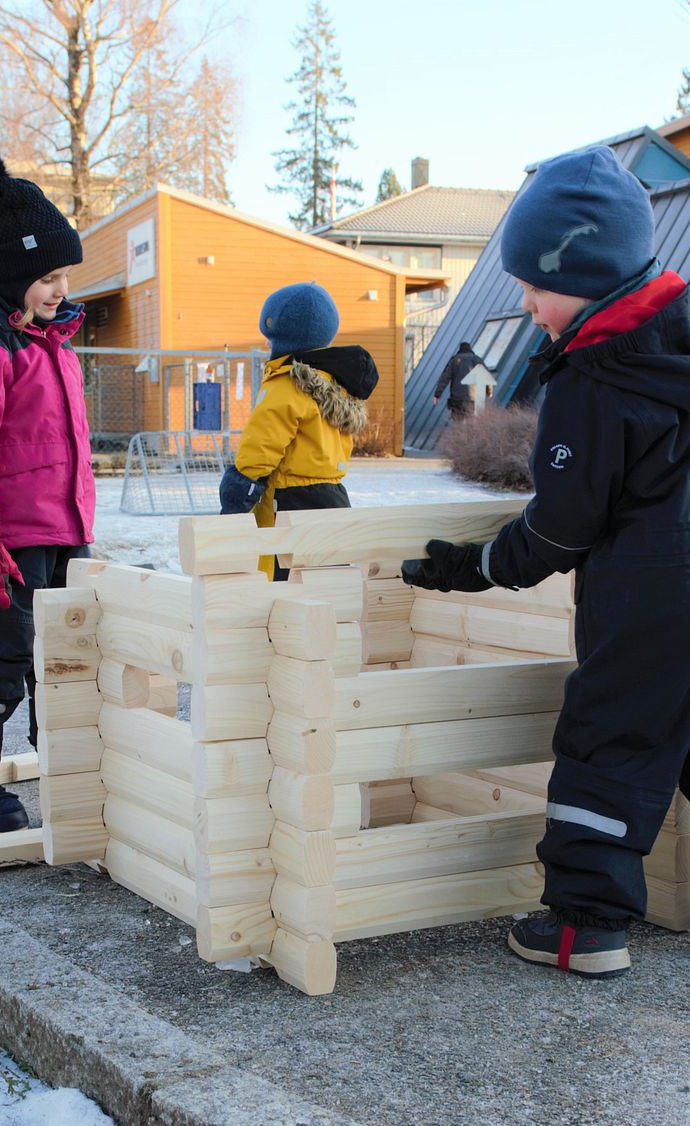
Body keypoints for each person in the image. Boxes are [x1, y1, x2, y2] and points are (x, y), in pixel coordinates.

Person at [402, 145, 690, 978]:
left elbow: (563, 529)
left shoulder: (593, 385)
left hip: (652, 597)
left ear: (590, 271)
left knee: (611, 737)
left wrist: (478, 566)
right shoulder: (671, 349)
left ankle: (583, 926)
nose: (526, 304)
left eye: (537, 285)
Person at [0, 148, 94, 836]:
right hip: (1, 544)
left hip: (60, 534)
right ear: (8, 271)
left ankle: (67, 770)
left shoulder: (49, 342)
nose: (59, 288)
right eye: (47, 276)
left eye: (64, 275)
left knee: (62, 659)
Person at [219, 281, 378, 578]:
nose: (267, 344)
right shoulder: (336, 384)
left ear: (284, 339)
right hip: (333, 500)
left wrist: (238, 489)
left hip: (290, 504)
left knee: (288, 587)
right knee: (328, 580)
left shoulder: (286, 385)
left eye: (270, 337)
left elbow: (261, 445)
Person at [431, 341, 485, 419]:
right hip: (473, 398)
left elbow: (445, 378)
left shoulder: (454, 360)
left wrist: (437, 395)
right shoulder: (477, 360)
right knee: (472, 422)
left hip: (457, 399)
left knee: (458, 422)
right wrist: (489, 391)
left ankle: (459, 430)